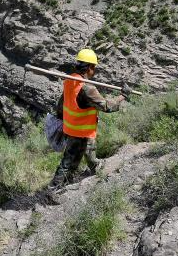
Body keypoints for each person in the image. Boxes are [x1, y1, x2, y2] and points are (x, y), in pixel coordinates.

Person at [46, 49, 128, 197]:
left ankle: (87, 171)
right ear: (89, 67)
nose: (94, 71)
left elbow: (62, 102)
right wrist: (122, 97)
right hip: (80, 131)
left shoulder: (70, 80)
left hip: (71, 127)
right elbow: (107, 106)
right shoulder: (87, 88)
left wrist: (60, 117)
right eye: (94, 67)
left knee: (77, 157)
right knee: (68, 162)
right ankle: (53, 191)